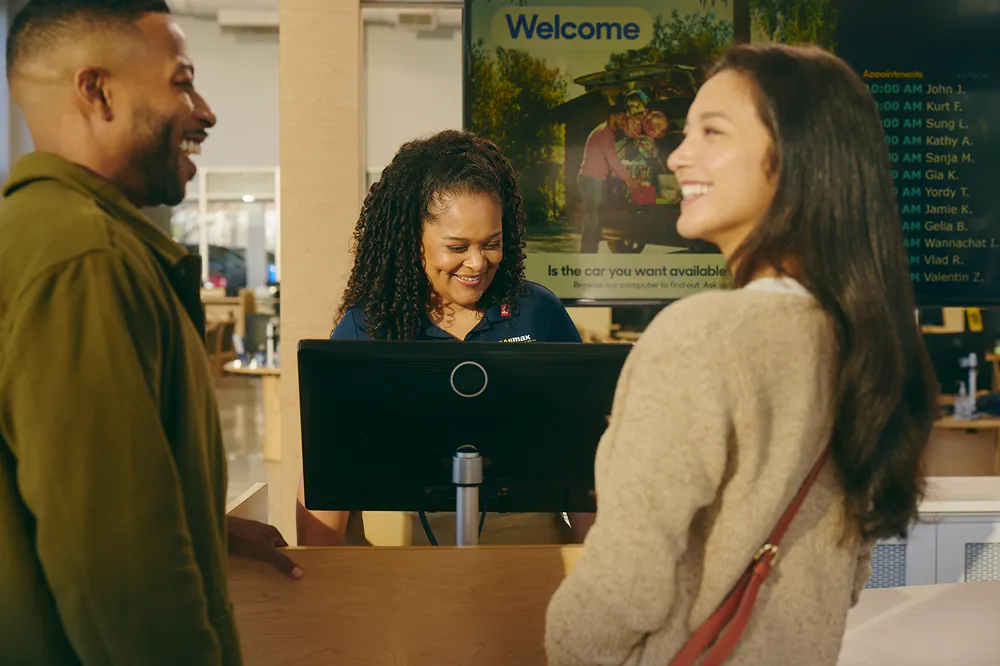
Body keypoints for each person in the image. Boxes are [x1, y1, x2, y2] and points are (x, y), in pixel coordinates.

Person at [545, 43, 938, 665]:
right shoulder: (869, 345)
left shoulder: (701, 336)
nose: (677, 155)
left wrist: (564, 647)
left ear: (794, 160)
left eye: (712, 131)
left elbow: (626, 584)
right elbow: (851, 575)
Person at [0, 2, 298, 664]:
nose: (205, 110)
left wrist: (200, 528)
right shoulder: (86, 258)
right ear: (98, 91)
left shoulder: (49, 237)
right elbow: (113, 561)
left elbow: (67, 489)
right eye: (181, 80)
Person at [296, 129, 591, 546]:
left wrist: (593, 566)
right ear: (410, 239)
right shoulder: (368, 329)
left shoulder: (540, 314)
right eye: (457, 246)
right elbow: (324, 473)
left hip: (530, 558)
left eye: (492, 243)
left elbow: (583, 454)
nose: (476, 263)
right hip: (399, 566)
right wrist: (325, 582)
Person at [578, 114, 640, 252]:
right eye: (621, 119)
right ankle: (588, 255)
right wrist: (629, 180)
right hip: (593, 179)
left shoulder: (604, 132)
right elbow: (612, 160)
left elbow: (607, 160)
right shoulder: (604, 134)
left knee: (592, 219)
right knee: (594, 220)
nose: (623, 123)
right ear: (613, 117)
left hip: (590, 178)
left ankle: (587, 254)